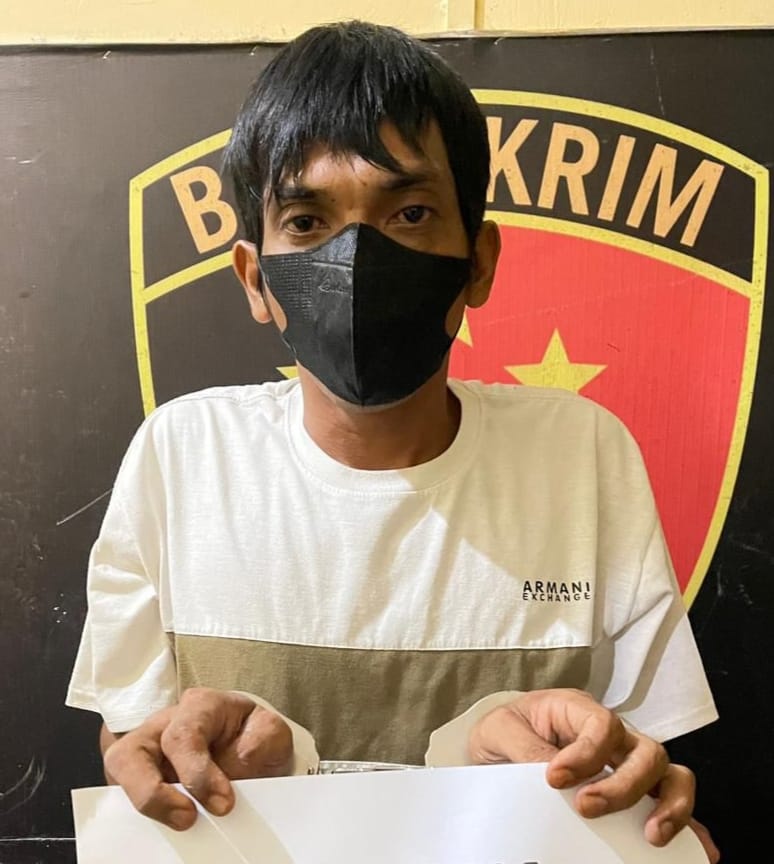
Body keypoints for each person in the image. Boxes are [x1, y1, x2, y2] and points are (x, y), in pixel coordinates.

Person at [66, 20, 719, 861]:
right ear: (255, 279)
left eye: (409, 213)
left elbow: (645, 773)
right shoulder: (181, 457)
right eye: (306, 220)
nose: (356, 260)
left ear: (479, 261)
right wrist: (207, 756)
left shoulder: (582, 457)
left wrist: (627, 799)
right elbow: (133, 752)